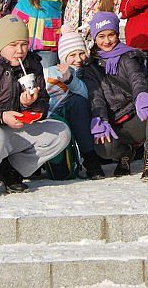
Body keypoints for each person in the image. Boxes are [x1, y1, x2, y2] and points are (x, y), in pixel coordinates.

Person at [0, 16, 71, 196]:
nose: (20, 51)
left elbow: (43, 106)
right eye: (13, 45)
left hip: (13, 129)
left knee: (60, 133)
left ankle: (11, 171)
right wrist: (1, 117)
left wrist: (28, 105)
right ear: (1, 45)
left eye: (24, 44)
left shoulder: (32, 65)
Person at [81, 12, 148, 182]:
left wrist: (141, 94)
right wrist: (100, 119)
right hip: (115, 123)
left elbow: (137, 78)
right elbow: (96, 96)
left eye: (111, 35)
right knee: (104, 149)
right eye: (102, 36)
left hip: (137, 116)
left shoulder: (128, 56)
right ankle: (125, 154)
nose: (107, 41)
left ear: (117, 34)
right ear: (95, 38)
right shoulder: (91, 67)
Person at [43, 24, 104, 180]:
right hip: (49, 114)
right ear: (63, 57)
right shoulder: (50, 72)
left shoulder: (87, 71)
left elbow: (88, 94)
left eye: (81, 53)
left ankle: (91, 160)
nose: (78, 59)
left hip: (74, 112)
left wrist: (70, 80)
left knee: (79, 103)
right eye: (72, 55)